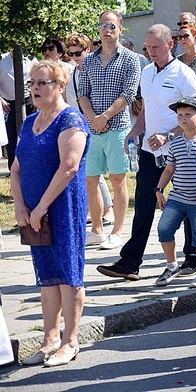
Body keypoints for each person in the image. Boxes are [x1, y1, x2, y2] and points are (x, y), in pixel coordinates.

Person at [97, 24, 196, 281]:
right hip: (149, 151)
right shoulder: (146, 72)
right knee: (143, 203)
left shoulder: (184, 75)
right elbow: (145, 110)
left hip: (181, 148)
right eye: (148, 47)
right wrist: (136, 131)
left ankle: (194, 257)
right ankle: (131, 261)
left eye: (156, 46)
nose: (151, 51)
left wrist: (169, 135)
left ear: (170, 45)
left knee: (187, 200)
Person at [11, 60, 89, 367]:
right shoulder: (29, 121)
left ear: (60, 86)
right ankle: (49, 339)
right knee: (47, 277)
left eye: (43, 83)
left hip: (61, 208)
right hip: (33, 213)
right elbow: (16, 168)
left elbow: (68, 167)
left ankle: (70, 341)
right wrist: (20, 205)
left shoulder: (70, 120)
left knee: (68, 274)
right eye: (33, 83)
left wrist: (42, 206)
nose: (35, 89)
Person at [78, 11, 141, 251]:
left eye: (111, 26)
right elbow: (83, 92)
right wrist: (93, 118)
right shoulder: (90, 60)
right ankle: (96, 229)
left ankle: (117, 231)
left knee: (117, 179)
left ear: (120, 29)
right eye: (102, 25)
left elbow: (129, 93)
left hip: (118, 127)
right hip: (93, 128)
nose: (107, 30)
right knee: (90, 180)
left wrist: (105, 116)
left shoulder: (130, 59)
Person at [155, 97, 196, 288]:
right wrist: (159, 189)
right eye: (180, 115)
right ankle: (172, 265)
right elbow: (169, 169)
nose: (183, 118)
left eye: (188, 114)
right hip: (177, 197)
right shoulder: (175, 143)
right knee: (164, 228)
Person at [64, 33, 116, 232]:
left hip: (95, 124)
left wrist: (96, 119)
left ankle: (108, 210)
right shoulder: (72, 73)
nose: (75, 56)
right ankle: (93, 213)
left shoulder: (94, 68)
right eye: (71, 53)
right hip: (77, 125)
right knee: (87, 171)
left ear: (87, 50)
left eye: (78, 52)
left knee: (96, 171)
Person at [0, 50, 37, 168]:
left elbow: (34, 80)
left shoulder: (31, 59)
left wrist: (34, 98)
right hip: (7, 103)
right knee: (11, 136)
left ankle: (29, 165)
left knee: (29, 133)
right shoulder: (2, 60)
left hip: (27, 99)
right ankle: (13, 167)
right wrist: (0, 99)